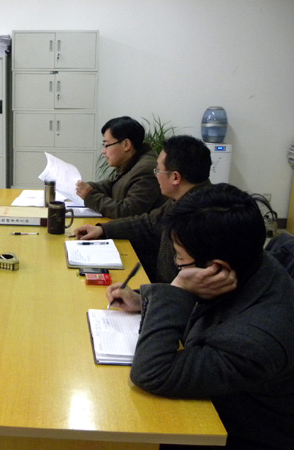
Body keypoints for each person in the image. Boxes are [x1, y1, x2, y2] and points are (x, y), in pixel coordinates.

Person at [109, 184, 294, 450]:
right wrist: (142, 301)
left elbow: (152, 373)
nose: (176, 264)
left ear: (215, 268)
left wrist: (178, 290)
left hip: (238, 431)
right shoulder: (249, 260)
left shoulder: (254, 341)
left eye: (180, 259)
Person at [74, 135, 212, 283]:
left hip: (167, 292)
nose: (156, 176)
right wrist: (103, 229)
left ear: (175, 177)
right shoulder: (183, 199)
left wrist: (142, 294)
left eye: (158, 170)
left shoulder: (200, 217)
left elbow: (184, 285)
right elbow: (149, 222)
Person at [75, 116, 166, 218]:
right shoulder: (133, 161)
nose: (103, 151)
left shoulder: (145, 169)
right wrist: (85, 187)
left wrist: (90, 196)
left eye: (107, 145)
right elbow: (112, 186)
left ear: (126, 145)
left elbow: (128, 211)